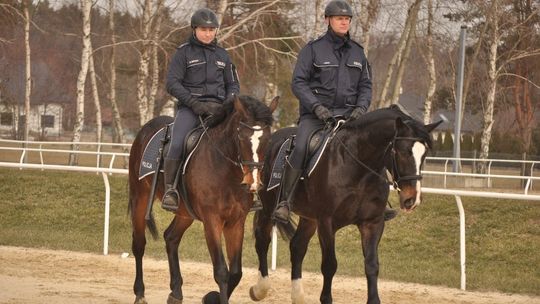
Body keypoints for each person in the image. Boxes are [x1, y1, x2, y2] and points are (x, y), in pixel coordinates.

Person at [272, 0, 397, 223]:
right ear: (328, 20)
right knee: (300, 147)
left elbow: (366, 86)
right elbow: (298, 83)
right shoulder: (312, 49)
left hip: (350, 116)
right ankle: (285, 201)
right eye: (340, 18)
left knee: (373, 146)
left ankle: (380, 201)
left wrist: (361, 108)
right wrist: (317, 108)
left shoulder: (358, 53)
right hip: (316, 116)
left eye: (347, 19)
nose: (344, 22)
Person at [162, 8, 240, 211]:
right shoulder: (183, 52)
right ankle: (170, 190)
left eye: (212, 29)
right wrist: (194, 104)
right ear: (194, 29)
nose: (208, 33)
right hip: (191, 109)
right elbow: (172, 83)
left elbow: (233, 85)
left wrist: (228, 103)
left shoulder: (224, 55)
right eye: (204, 29)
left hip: (220, 109)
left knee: (243, 138)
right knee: (177, 142)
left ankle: (249, 189)